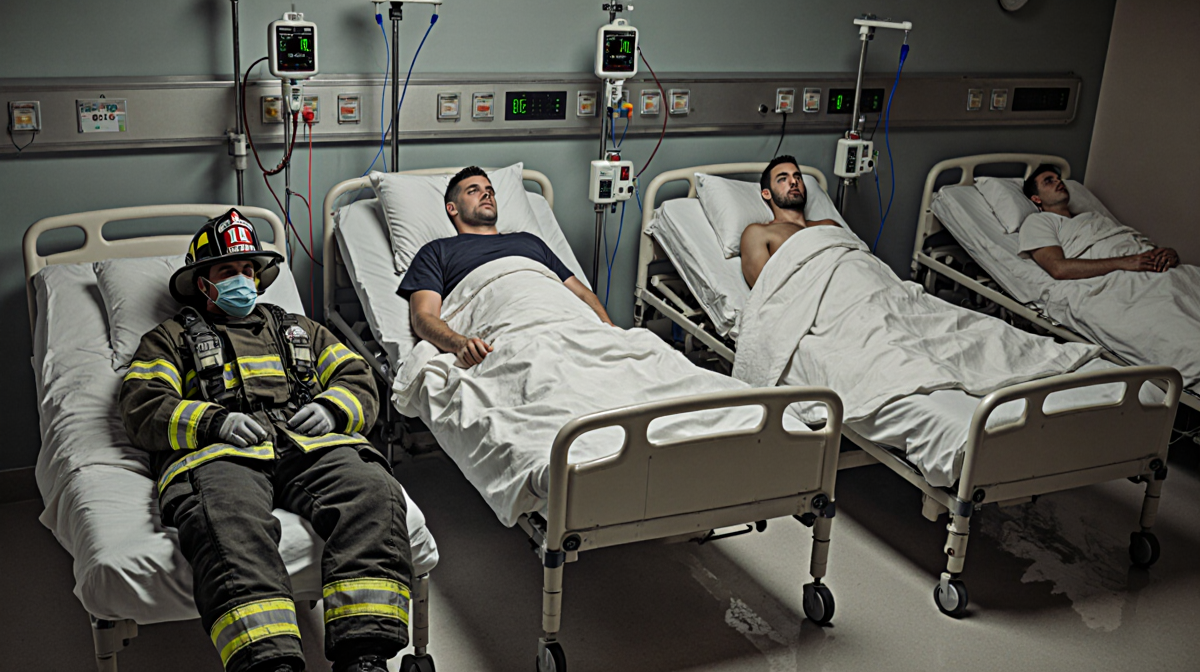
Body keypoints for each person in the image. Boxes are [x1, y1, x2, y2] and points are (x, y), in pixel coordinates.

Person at [119, 209, 411, 672]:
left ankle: (365, 655)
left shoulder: (300, 329)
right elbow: (142, 405)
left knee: (374, 491)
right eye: (228, 271)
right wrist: (214, 421)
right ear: (203, 283)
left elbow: (358, 378)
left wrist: (333, 407)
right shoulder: (169, 338)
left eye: (248, 270)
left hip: (309, 443)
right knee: (227, 519)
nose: (242, 279)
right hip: (221, 454)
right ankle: (269, 662)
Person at [399, 166, 613, 368]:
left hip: (566, 321)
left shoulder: (530, 241)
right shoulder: (437, 251)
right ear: (451, 208)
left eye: (490, 190)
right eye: (473, 191)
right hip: (510, 329)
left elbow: (583, 294)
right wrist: (460, 344)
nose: (486, 194)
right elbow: (423, 317)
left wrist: (610, 331)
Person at [1019, 163, 1179, 279]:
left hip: (1158, 268)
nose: (1059, 182)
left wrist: (1167, 254)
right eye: (1049, 181)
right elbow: (1058, 268)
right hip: (1125, 275)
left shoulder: (1092, 218)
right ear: (1036, 198)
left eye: (1058, 178)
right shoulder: (1038, 222)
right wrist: (1125, 262)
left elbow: (1126, 240)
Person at [738, 155, 844, 288]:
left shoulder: (830, 225)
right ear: (766, 193)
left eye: (798, 177)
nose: (794, 181)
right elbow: (764, 292)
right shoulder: (759, 233)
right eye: (783, 179)